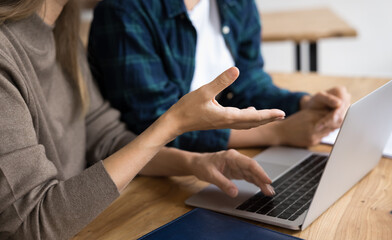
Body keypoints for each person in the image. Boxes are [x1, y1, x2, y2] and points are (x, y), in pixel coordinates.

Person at [0, 0, 286, 239]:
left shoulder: (61, 29)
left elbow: (106, 138)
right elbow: (31, 223)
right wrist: (172, 124)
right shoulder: (6, 54)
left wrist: (194, 163)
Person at [88, 0, 351, 153]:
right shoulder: (124, 11)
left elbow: (248, 82)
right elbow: (155, 127)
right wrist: (276, 133)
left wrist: (303, 104)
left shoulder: (235, 4)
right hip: (152, 176)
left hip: (219, 155)